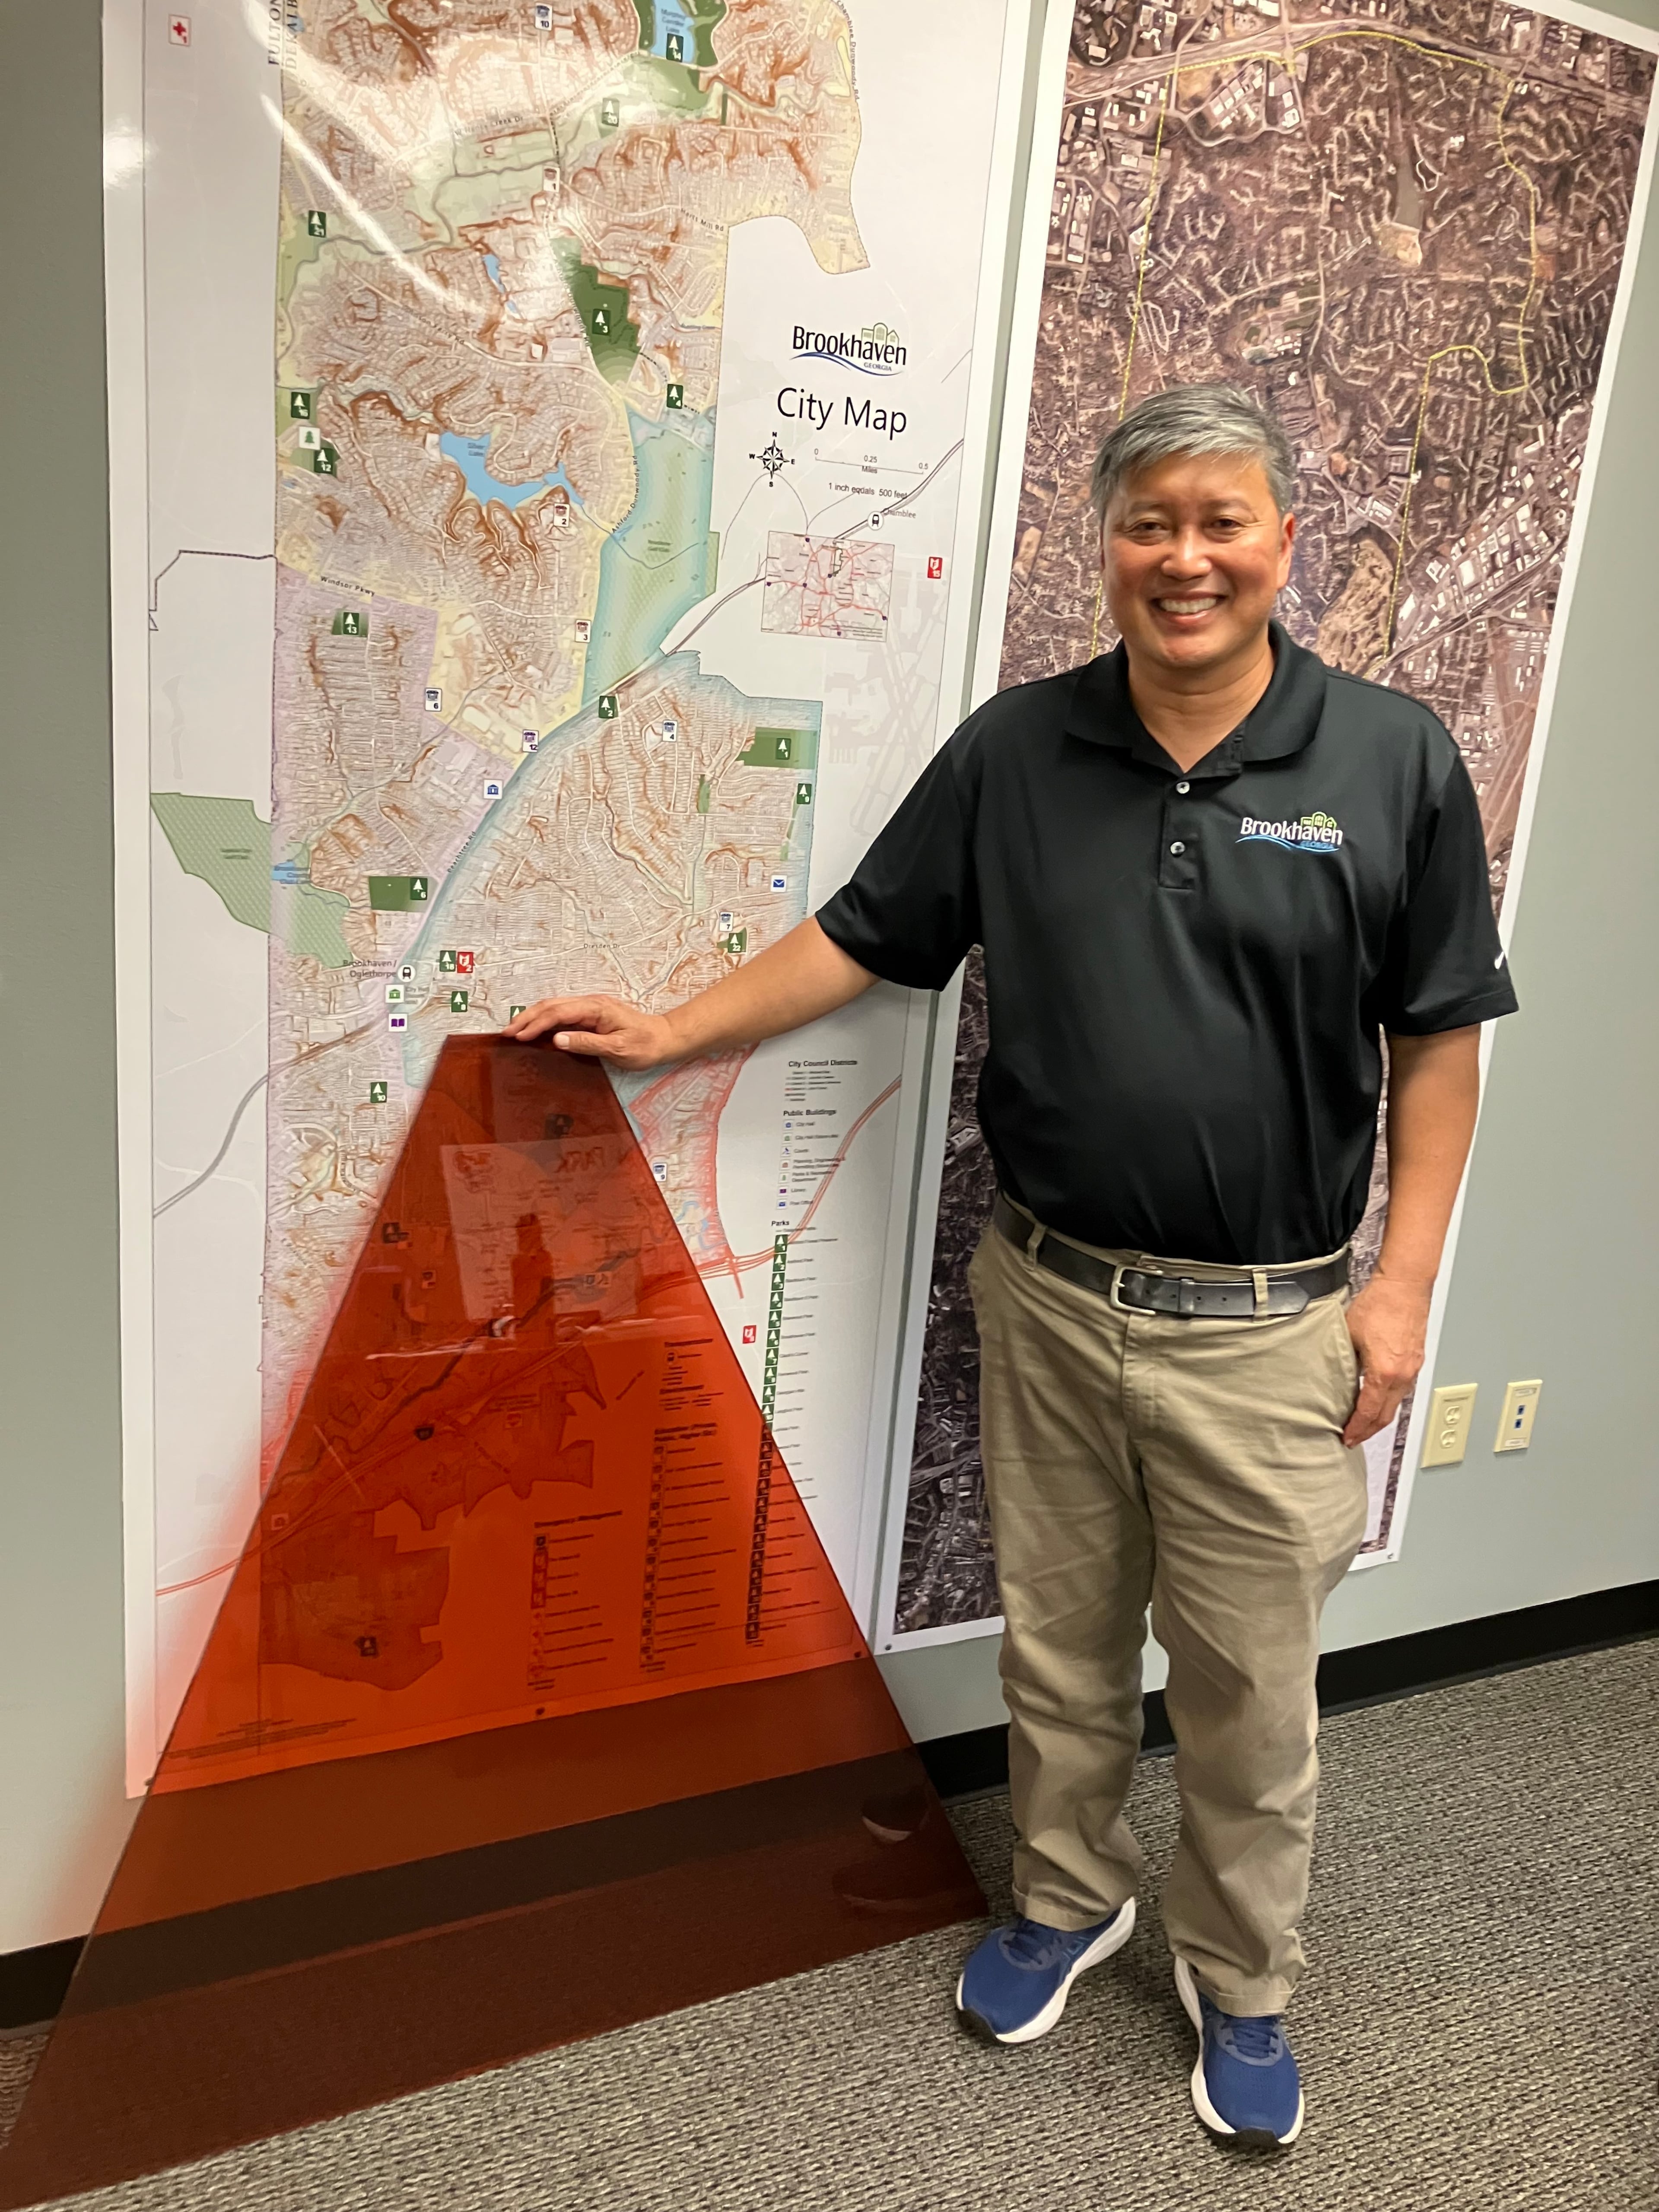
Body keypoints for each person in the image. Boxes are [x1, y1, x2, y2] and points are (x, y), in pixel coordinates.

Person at [506, 382, 1517, 2149]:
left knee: (1248, 1685)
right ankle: (1068, 1893)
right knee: (1056, 1638)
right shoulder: (1017, 750)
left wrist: (1406, 1281)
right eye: (1150, 524)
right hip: (1046, 1294)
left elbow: (1439, 1039)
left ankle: (1243, 1974)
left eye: (1221, 521)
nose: (1183, 558)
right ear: (1103, 546)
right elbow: (863, 935)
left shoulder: (1394, 761)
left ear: (1284, 543)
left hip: (1267, 1328)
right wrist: (671, 1024)